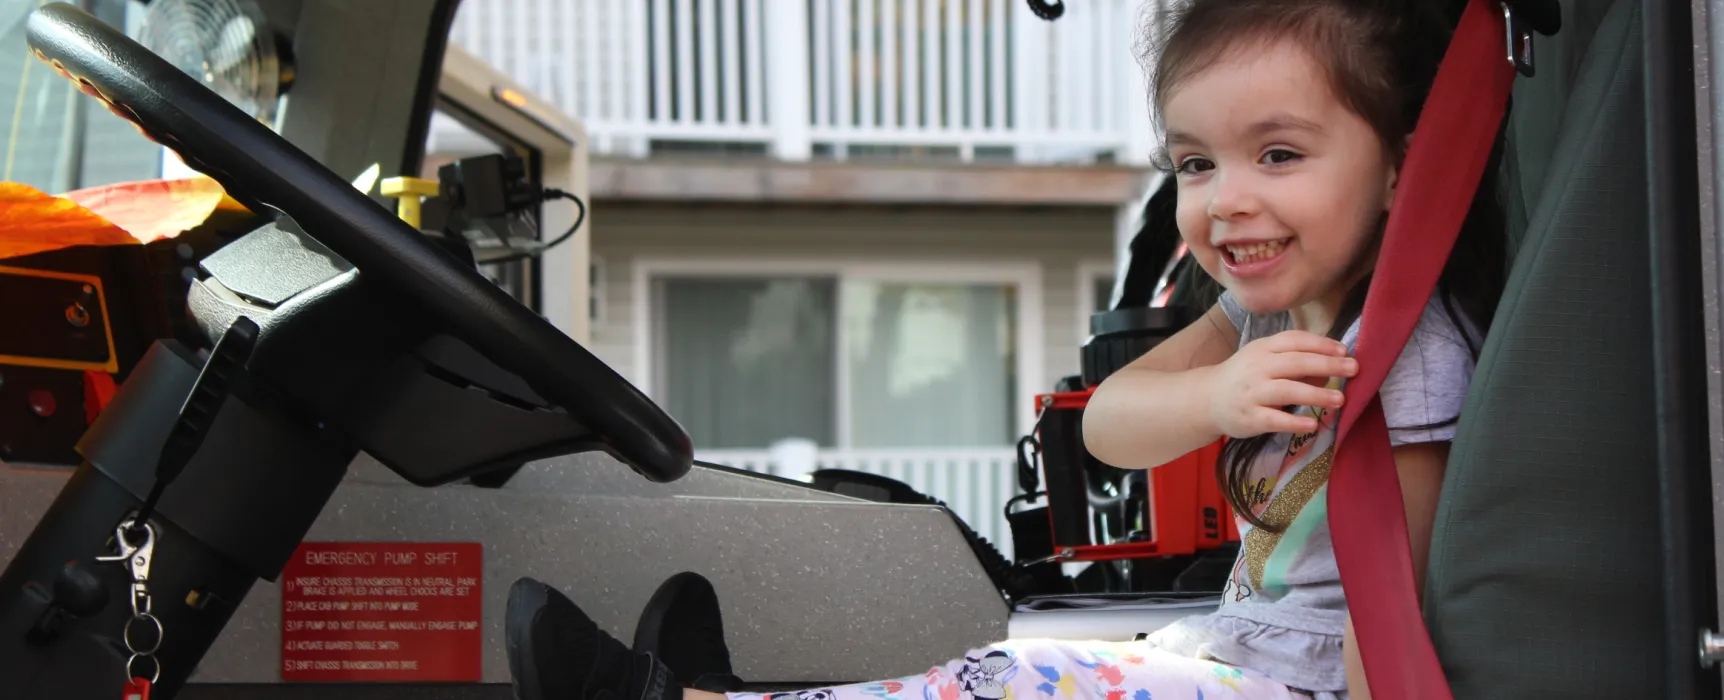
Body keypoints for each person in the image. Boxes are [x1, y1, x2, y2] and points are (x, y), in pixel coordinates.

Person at [500, 0, 1508, 697]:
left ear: (1399, 172)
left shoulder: (1405, 364)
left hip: (1303, 681)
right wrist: (1214, 398)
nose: (1225, 198)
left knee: (1011, 677)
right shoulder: (1260, 320)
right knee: (1006, 666)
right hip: (1235, 653)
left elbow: (1392, 599)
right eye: (1195, 161)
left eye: (1278, 154)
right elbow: (1110, 431)